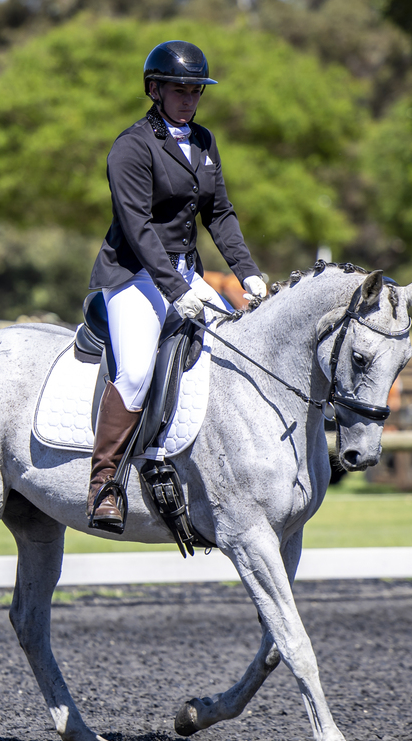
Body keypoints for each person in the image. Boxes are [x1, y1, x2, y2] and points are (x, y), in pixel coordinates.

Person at [84, 40, 269, 533]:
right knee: (136, 371)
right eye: (180, 90)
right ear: (155, 90)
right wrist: (175, 288)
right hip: (134, 275)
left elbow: (220, 214)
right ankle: (104, 484)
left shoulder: (204, 141)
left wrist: (247, 271)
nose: (189, 100)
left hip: (187, 273)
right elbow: (137, 227)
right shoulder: (131, 146)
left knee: (234, 349)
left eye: (196, 91)